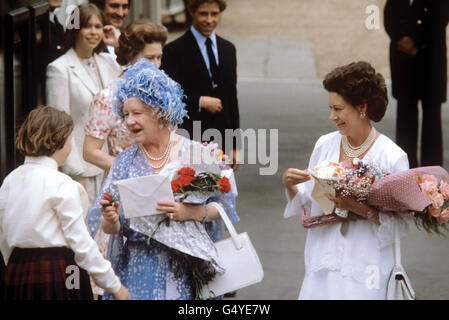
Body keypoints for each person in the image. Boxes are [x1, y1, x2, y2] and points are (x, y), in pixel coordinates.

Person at [87, 59, 238, 300]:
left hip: (187, 272)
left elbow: (224, 206)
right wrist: (110, 219)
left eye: (137, 113)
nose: (129, 121)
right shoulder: (123, 162)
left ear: (160, 112)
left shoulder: (196, 153)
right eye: (125, 114)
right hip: (138, 273)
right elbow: (110, 228)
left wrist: (190, 213)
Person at [282, 61, 413, 300]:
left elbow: (401, 225)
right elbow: (309, 202)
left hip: (365, 269)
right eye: (330, 108)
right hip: (323, 262)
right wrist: (292, 186)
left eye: (338, 109)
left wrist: (359, 208)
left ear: (362, 107)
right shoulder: (325, 144)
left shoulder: (392, 157)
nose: (332, 116)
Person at [0, 106, 129, 300]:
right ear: (59, 142)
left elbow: (3, 234)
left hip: (17, 268)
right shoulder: (64, 185)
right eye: (70, 139)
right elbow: (82, 244)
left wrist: (14, 266)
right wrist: (115, 286)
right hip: (63, 271)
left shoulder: (10, 180)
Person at [83, 21, 167, 298]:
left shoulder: (163, 93)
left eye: (159, 57)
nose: (155, 64)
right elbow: (90, 150)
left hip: (160, 190)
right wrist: (126, 170)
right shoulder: (108, 97)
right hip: (122, 196)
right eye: (148, 58)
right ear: (130, 56)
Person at [46, 3, 122, 208]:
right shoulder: (60, 69)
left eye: (98, 27)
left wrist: (117, 45)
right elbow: (59, 125)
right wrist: (72, 172)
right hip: (81, 166)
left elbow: (132, 85)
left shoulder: (108, 61)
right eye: (87, 26)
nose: (93, 32)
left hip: (109, 161)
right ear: (75, 29)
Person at [161, 0, 240, 171]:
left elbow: (232, 98)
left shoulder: (228, 49)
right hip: (188, 136)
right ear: (192, 12)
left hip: (220, 139)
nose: (209, 20)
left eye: (214, 14)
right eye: (204, 14)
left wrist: (234, 145)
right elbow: (168, 97)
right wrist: (199, 101)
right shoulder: (173, 51)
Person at [384, 0, 449, 168]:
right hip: (404, 64)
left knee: (432, 117)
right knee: (405, 116)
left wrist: (415, 43)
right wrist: (400, 37)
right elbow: (389, 16)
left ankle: (432, 169)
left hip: (431, 61)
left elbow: (441, 18)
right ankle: (405, 166)